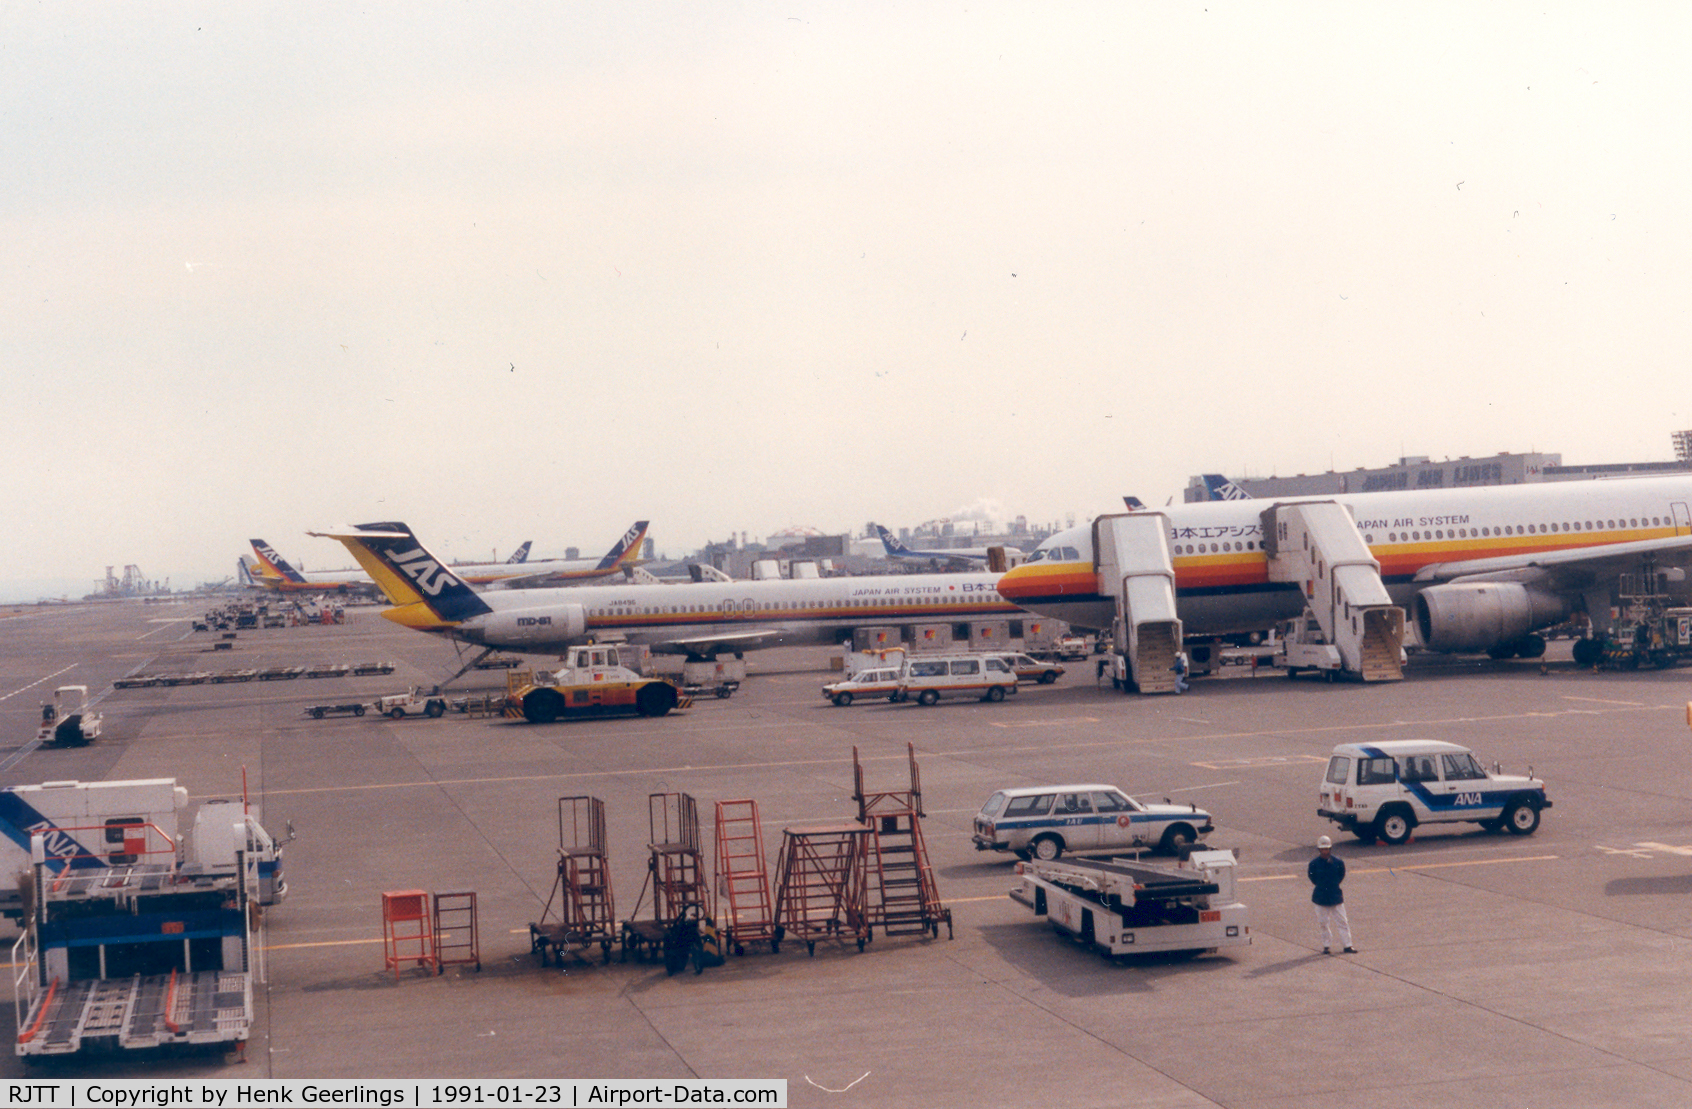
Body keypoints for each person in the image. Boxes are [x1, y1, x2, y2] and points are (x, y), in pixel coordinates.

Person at [1308, 835, 1355, 954]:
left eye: (1327, 849)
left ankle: (1347, 945)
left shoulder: (1338, 862)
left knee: (1343, 922)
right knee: (1323, 923)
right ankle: (1326, 945)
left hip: (1335, 897)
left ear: (1330, 849)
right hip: (1320, 897)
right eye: (1323, 849)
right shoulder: (1314, 864)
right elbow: (1312, 877)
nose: (1325, 851)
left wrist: (1333, 886)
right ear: (1319, 850)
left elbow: (1341, 875)